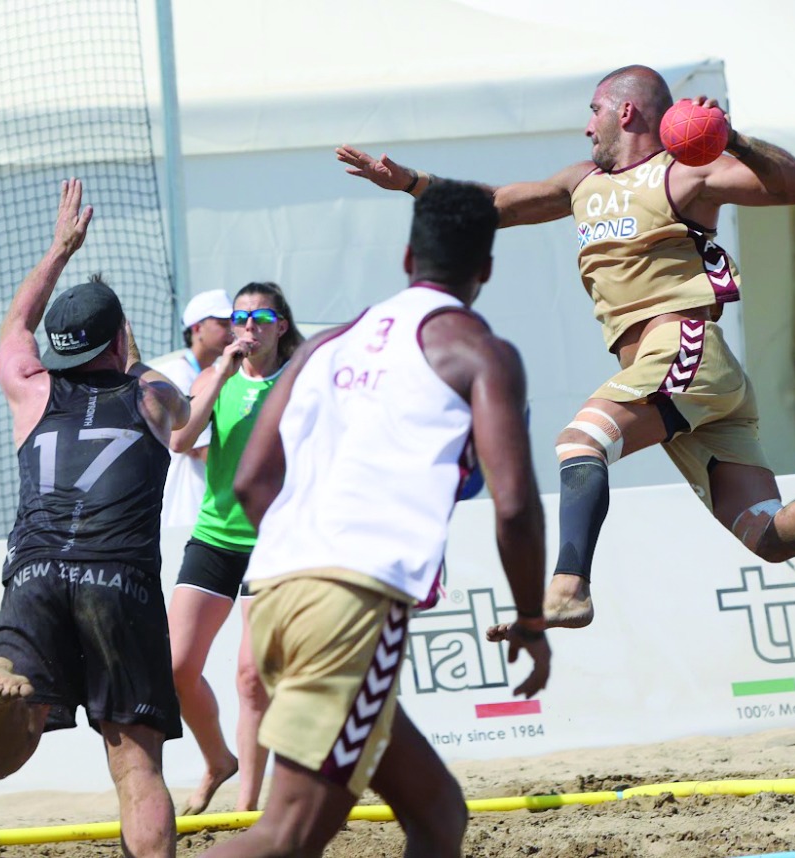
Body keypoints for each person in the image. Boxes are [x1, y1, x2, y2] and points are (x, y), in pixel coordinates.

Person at [336, 64, 795, 638]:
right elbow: (495, 205)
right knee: (767, 533)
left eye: (592, 110)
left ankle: (569, 588)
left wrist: (731, 138)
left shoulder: (684, 175)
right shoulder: (580, 182)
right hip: (684, 380)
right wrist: (410, 181)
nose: (585, 126)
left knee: (580, 441)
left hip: (684, 349)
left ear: (626, 110)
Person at [206, 180, 551, 857]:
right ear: (485, 269)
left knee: (440, 814)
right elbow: (514, 508)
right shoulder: (481, 352)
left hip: (275, 593)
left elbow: (252, 479)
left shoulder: (327, 343)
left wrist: (301, 552)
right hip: (352, 604)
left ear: (405, 258)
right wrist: (533, 622)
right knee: (288, 834)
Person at [0, 179, 189, 858]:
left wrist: (59, 252)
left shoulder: (31, 391)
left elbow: (15, 328)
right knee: (137, 769)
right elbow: (181, 416)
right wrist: (130, 349)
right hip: (119, 581)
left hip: (35, 571)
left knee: (1, 761)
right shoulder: (153, 395)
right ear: (119, 338)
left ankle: (1, 696)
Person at [166, 282, 303, 815]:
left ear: (281, 326)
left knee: (250, 677)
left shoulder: (297, 381)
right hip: (214, 536)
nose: (249, 327)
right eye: (239, 318)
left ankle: (247, 811)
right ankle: (218, 760)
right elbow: (180, 442)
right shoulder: (214, 377)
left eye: (261, 317)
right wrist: (221, 372)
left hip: (273, 544)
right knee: (176, 667)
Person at [155, 289, 234, 529]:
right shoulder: (177, 374)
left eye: (232, 323)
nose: (231, 331)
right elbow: (197, 448)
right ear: (197, 328)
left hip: (203, 506)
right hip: (184, 514)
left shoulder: (213, 373)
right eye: (222, 323)